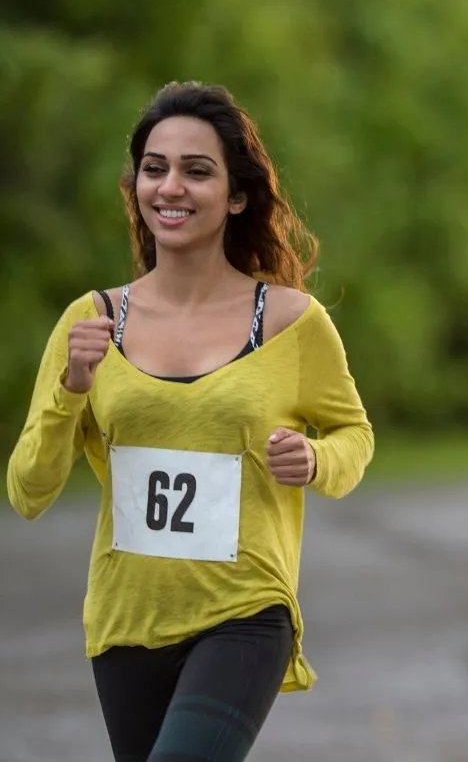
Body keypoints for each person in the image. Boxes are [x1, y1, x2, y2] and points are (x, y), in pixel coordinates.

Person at [6, 81, 375, 762]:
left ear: (236, 194)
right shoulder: (90, 321)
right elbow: (28, 491)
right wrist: (71, 389)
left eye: (196, 170)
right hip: (125, 622)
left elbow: (355, 436)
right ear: (137, 186)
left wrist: (316, 461)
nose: (171, 186)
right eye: (155, 168)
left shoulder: (292, 321)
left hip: (245, 613)